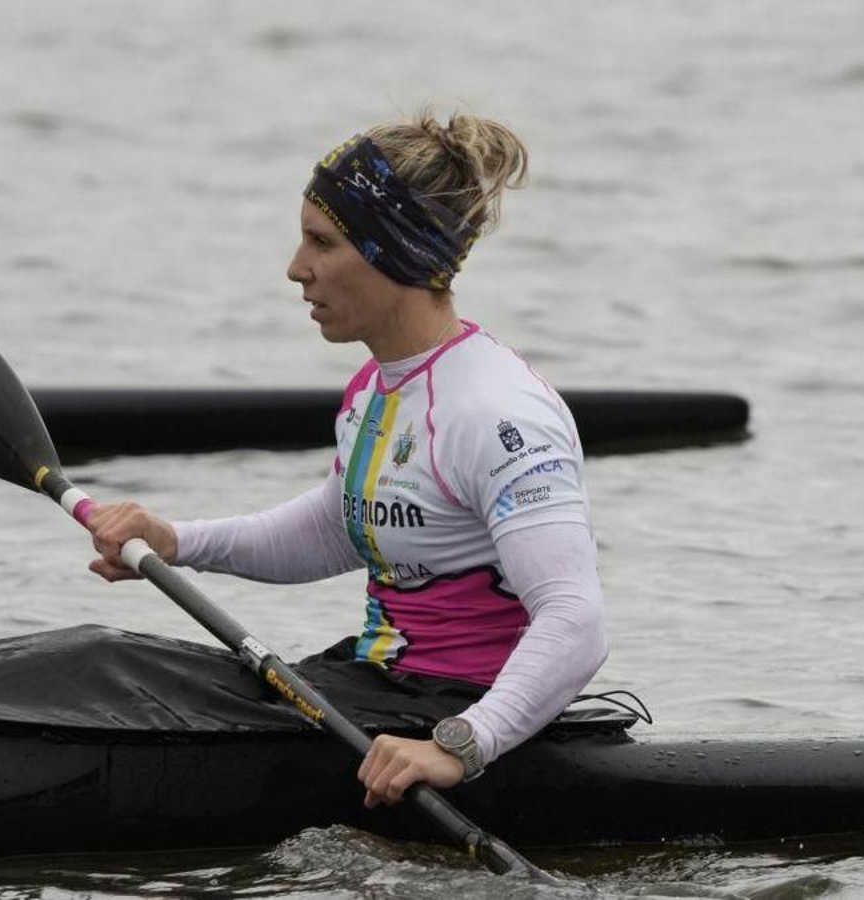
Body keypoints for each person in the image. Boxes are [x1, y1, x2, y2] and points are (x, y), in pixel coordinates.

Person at [87, 109, 608, 809]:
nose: (295, 268)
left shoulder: (496, 414)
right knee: (121, 664)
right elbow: (336, 528)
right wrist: (176, 541)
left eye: (322, 242)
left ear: (394, 254)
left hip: (454, 711)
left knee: (122, 676)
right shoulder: (376, 386)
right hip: (379, 685)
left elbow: (576, 620)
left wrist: (460, 745)